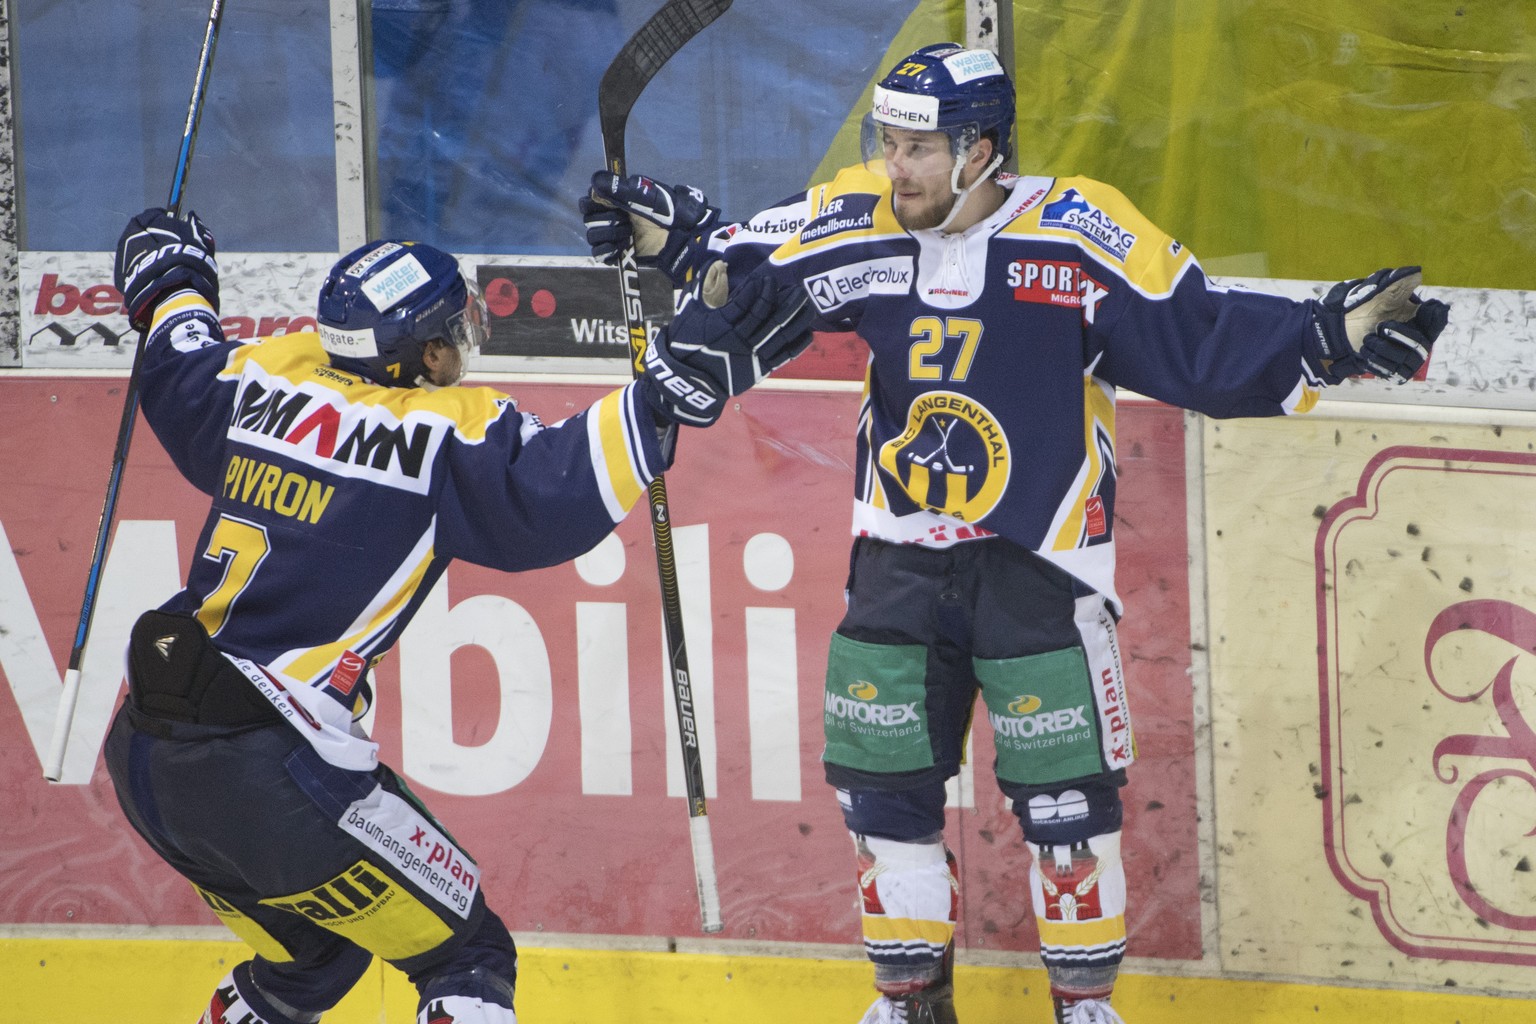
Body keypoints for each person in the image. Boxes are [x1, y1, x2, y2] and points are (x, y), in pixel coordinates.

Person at [580, 42, 1449, 1024]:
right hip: (898, 564)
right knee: (883, 799)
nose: (893, 164)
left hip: (1042, 568)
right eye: (887, 141)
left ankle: (1083, 1007)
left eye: (917, 147)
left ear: (981, 150)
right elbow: (747, 267)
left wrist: (1327, 341)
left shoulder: (1079, 232)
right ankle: (906, 1001)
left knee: (1068, 813)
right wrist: (664, 235)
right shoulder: (860, 212)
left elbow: (1195, 335)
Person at [103, 208, 810, 1024]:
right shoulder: (444, 431)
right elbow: (559, 486)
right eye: (453, 332)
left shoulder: (266, 371)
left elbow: (177, 364)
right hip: (273, 767)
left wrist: (170, 279)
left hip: (146, 755)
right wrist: (665, 395)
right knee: (466, 956)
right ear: (429, 353)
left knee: (314, 962)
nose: (461, 347)